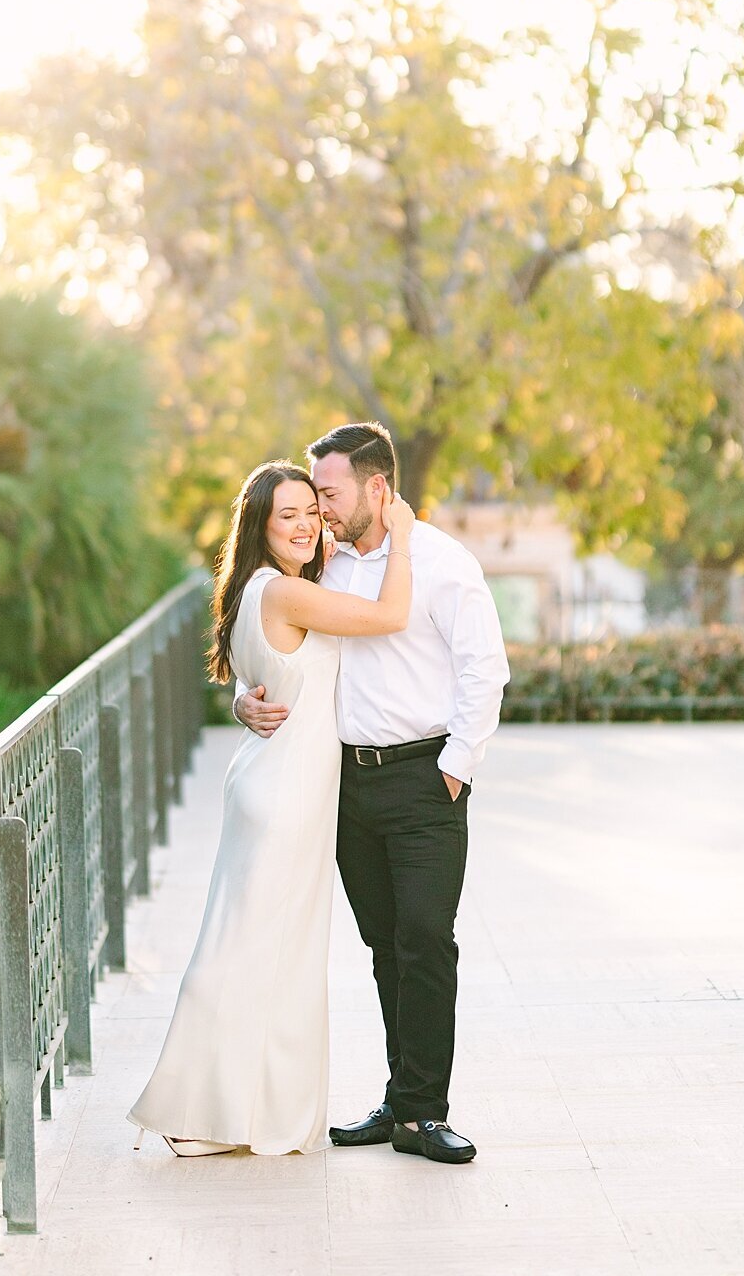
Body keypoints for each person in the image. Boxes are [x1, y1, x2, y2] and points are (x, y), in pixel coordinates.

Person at [235, 422, 509, 1165]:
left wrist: (456, 766)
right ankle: (399, 1101)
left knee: (425, 941)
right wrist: (242, 699)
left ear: (376, 488)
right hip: (347, 784)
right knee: (385, 946)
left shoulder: (442, 563)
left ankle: (425, 1113)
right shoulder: (321, 565)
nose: (318, 508)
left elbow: (486, 669)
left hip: (426, 782)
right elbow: (274, 640)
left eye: (328, 493)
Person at [128, 459, 416, 1156]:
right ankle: (194, 1110)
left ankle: (233, 1112)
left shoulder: (259, 590)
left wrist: (240, 702)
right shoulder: (286, 593)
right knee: (250, 954)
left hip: (275, 786)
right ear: (259, 525)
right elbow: (391, 615)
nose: (304, 526)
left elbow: (263, 679)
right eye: (286, 515)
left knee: (263, 953)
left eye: (311, 513)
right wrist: (401, 536)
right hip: (286, 795)